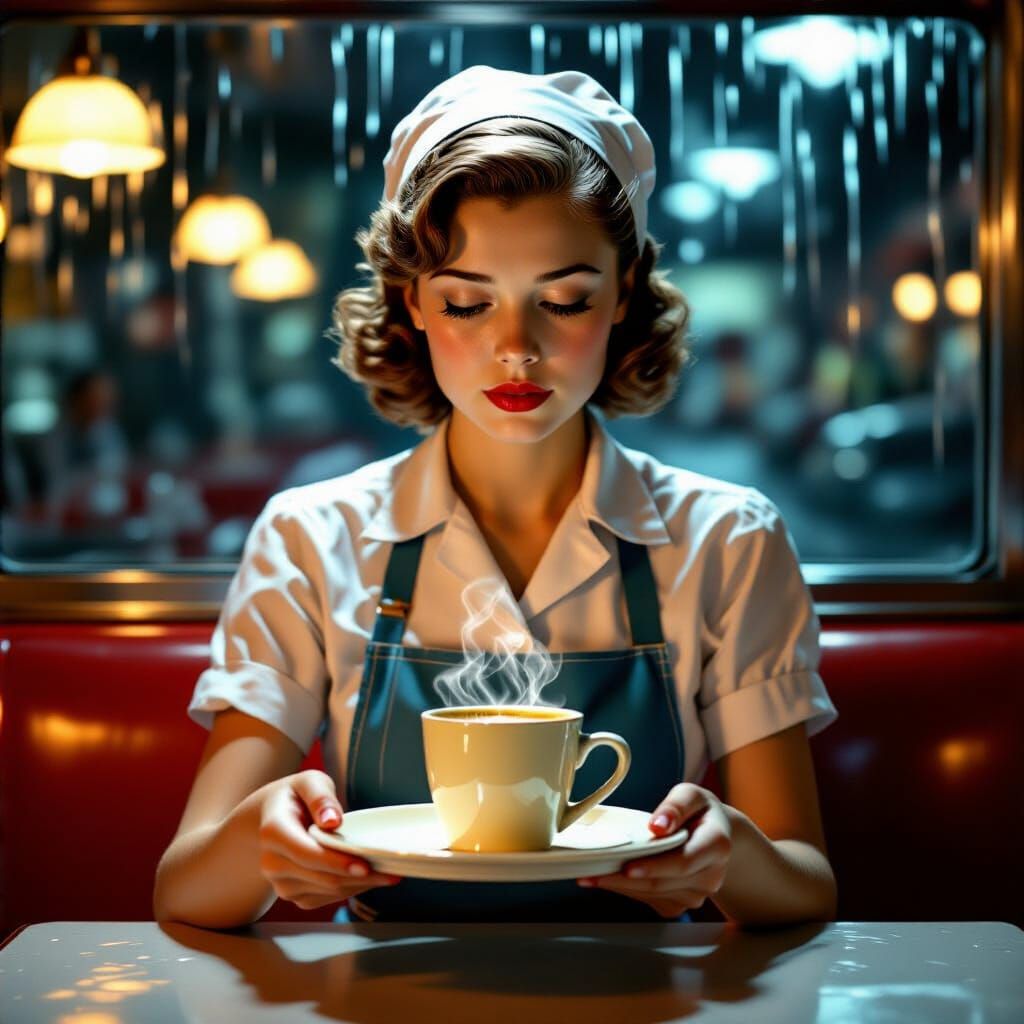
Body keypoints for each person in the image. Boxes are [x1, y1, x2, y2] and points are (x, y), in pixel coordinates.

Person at [154, 66, 838, 929]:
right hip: (382, 987)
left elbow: (805, 881)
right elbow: (184, 888)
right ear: (412, 301)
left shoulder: (728, 539)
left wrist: (728, 856)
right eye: (468, 304)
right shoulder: (310, 537)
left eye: (564, 300)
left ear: (624, 292)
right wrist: (262, 840)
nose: (517, 347)